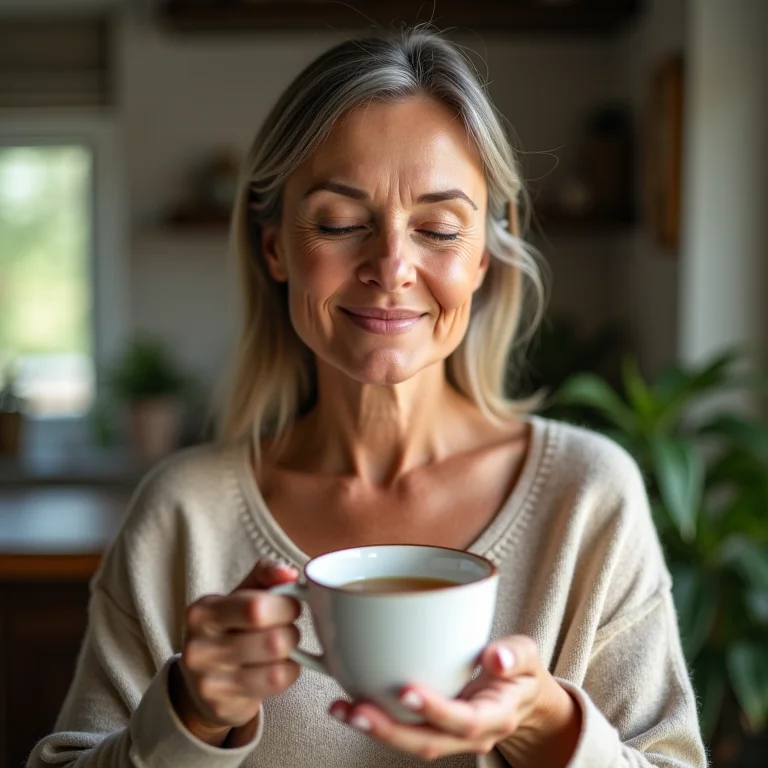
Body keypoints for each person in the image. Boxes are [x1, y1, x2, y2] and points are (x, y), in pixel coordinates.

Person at [28, 29, 706, 768]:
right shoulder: (183, 516)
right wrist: (187, 715)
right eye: (341, 222)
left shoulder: (586, 497)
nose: (390, 266)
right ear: (275, 247)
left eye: (439, 228)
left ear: (482, 256)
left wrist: (548, 727)